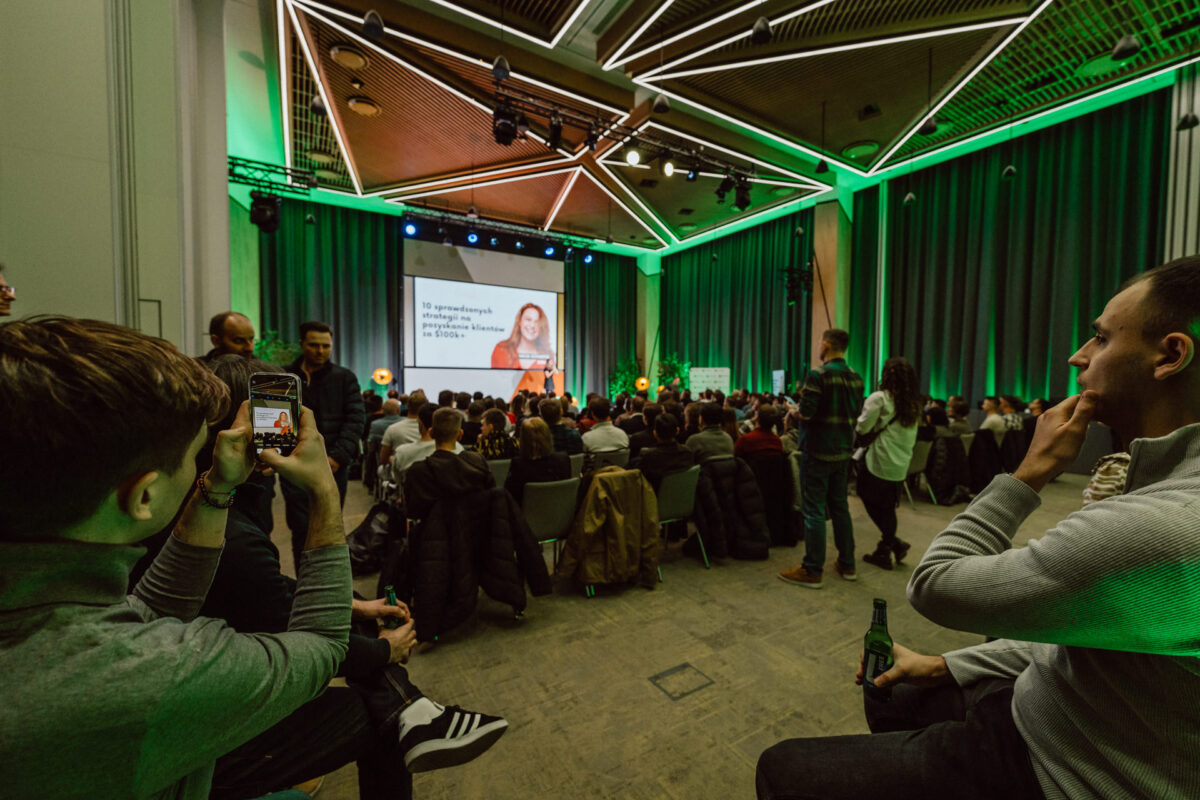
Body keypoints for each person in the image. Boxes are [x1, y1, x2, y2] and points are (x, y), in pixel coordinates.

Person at [757, 256, 1200, 800]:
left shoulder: (1162, 526)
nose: (1076, 357)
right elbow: (1089, 641)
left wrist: (1028, 472)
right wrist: (949, 664)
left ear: (1171, 354)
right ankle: (858, 557)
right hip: (1068, 705)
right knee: (889, 691)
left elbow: (936, 584)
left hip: (1064, 764)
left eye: (1100, 339)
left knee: (781, 769)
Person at [0, 316, 351, 798]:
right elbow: (323, 644)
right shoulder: (154, 672)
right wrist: (325, 492)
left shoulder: (51, 618)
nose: (198, 467)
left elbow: (148, 613)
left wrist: (216, 488)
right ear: (144, 496)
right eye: (193, 458)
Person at [181, 357, 507, 794]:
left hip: (215, 660)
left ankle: (413, 708)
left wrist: (356, 605)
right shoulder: (231, 536)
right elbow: (297, 638)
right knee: (380, 718)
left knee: (349, 602)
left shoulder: (207, 510)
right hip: (208, 718)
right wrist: (382, 651)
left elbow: (267, 593)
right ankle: (409, 710)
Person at [778, 329, 864, 588]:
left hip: (817, 451)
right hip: (843, 452)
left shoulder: (818, 375)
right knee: (840, 507)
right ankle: (847, 564)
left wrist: (792, 411)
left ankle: (812, 569)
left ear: (826, 345)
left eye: (819, 342)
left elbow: (807, 414)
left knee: (813, 510)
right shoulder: (856, 377)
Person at [282, 320, 365, 568]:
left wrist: (337, 457)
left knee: (328, 526)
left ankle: (326, 582)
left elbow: (356, 420)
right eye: (314, 345)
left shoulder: (344, 377)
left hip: (333, 467)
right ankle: (304, 583)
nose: (320, 351)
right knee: (299, 529)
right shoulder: (285, 376)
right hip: (293, 466)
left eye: (326, 346)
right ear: (302, 344)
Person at [857, 357, 921, 570]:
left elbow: (863, 428)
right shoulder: (913, 403)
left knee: (868, 498)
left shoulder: (880, 399)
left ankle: (887, 546)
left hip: (879, 460)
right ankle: (891, 544)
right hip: (900, 463)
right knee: (887, 507)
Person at [403, 408, 495, 520]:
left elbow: (413, 511)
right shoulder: (478, 463)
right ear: (460, 435)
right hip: (473, 532)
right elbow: (491, 499)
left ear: (431, 433)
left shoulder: (417, 471)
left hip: (431, 533)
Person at [391, 404, 464, 485]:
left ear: (420, 424)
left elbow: (398, 480)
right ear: (459, 434)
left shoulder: (402, 452)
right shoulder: (459, 449)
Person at [504, 417, 570, 504]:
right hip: (561, 511)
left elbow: (511, 496)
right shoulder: (563, 459)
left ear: (523, 439)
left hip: (526, 514)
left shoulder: (519, 465)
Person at [629, 413, 696, 491]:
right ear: (677, 431)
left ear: (655, 433)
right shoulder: (688, 453)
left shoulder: (648, 457)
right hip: (683, 497)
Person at [491, 302, 555, 369]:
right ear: (519, 322)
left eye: (537, 322)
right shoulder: (502, 349)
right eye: (528, 319)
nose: (532, 325)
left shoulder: (548, 355)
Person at [581, 396, 630, 471]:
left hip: (595, 480)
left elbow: (583, 464)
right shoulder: (623, 434)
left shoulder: (587, 438)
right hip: (619, 478)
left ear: (592, 414)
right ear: (609, 412)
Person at [381, 389, 427, 465]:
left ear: (407, 406)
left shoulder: (392, 429)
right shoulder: (431, 431)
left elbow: (383, 460)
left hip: (399, 471)